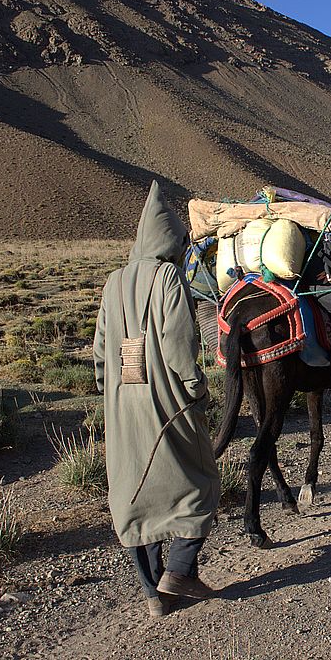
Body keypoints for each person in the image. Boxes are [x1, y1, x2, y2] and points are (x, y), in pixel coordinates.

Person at [93, 181, 221, 617]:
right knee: (199, 482)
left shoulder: (112, 282)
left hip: (121, 403)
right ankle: (180, 571)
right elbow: (177, 342)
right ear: (171, 242)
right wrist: (194, 386)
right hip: (165, 397)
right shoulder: (168, 277)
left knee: (134, 492)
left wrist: (109, 392)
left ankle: (154, 594)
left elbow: (101, 350)